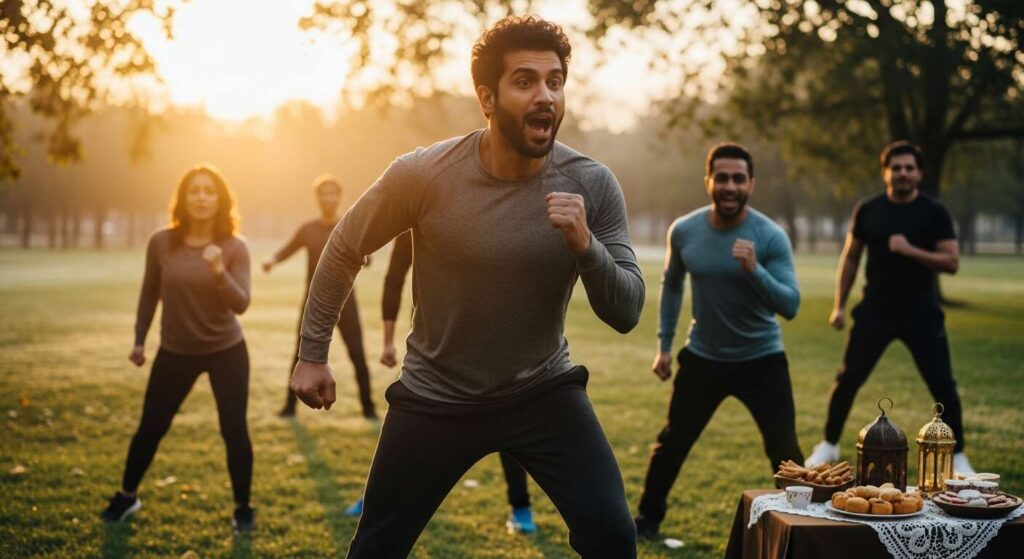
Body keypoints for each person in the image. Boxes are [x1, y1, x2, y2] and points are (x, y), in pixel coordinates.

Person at [290, 16, 644, 557]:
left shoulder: (591, 184)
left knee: (613, 537)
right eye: (524, 81)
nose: (545, 96)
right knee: (376, 548)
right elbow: (344, 248)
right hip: (436, 396)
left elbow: (627, 311)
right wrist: (312, 353)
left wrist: (585, 246)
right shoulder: (424, 174)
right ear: (487, 96)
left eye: (555, 81)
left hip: (542, 393)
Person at [634, 143, 804, 540]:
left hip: (762, 359)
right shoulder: (685, 230)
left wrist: (754, 269)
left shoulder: (769, 236)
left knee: (785, 451)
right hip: (704, 358)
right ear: (708, 181)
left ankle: (803, 527)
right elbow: (672, 285)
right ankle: (646, 522)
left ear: (751, 184)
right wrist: (664, 345)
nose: (730, 186)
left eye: (738, 179)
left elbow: (791, 305)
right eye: (722, 178)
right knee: (672, 444)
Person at [101, 164, 255, 531]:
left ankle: (243, 509)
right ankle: (126, 497)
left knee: (233, 429)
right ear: (183, 199)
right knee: (151, 426)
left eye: (209, 191)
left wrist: (219, 270)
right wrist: (139, 339)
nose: (201, 197)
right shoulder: (161, 242)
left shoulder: (235, 247)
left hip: (226, 350)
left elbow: (242, 303)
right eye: (194, 191)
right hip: (175, 351)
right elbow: (149, 292)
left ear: (220, 200)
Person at [804, 141, 974, 474]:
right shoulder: (868, 210)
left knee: (942, 384)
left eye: (909, 168)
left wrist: (910, 250)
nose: (903, 173)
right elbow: (851, 257)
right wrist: (839, 305)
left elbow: (951, 262)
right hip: (875, 311)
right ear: (886, 172)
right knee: (848, 378)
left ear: (919, 173)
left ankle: (958, 455)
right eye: (896, 168)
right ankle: (828, 444)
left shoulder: (934, 212)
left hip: (921, 312)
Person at [362, 229, 536, 534]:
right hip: (431, 351)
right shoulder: (410, 224)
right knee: (406, 429)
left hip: (492, 345)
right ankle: (375, 501)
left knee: (507, 421)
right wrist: (388, 341)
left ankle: (520, 508)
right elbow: (393, 279)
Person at [263, 175, 377, 419]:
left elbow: (367, 256)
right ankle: (289, 408)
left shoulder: (349, 225)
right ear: (317, 198)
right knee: (301, 354)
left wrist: (365, 253)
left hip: (346, 303)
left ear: (339, 197)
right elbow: (287, 249)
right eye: (323, 193)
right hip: (313, 304)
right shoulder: (308, 229)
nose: (328, 198)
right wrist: (272, 260)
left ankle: (369, 409)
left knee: (357, 354)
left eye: (332, 193)